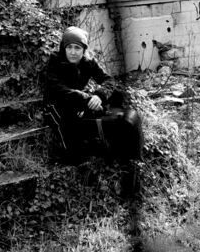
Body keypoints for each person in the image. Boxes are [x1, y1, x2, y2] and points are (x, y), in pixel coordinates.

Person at [45, 26, 142, 163]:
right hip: (56, 104)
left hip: (78, 103)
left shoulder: (87, 63)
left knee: (118, 98)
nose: (73, 52)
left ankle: (122, 150)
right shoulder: (55, 61)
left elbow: (109, 80)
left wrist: (99, 95)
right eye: (69, 47)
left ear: (84, 49)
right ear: (64, 48)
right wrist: (87, 99)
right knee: (73, 155)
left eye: (77, 48)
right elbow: (57, 89)